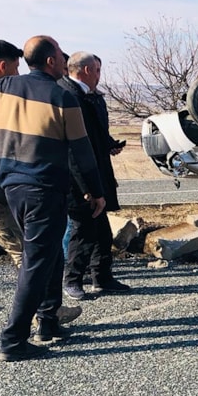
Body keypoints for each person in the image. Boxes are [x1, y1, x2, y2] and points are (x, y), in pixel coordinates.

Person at [0, 35, 105, 362]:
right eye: (61, 56)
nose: (65, 61)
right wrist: (96, 190)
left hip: (13, 188)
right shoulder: (63, 97)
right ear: (50, 61)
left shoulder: (3, 88)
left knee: (51, 254)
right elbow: (82, 151)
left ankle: (48, 321)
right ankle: (13, 339)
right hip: (44, 188)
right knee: (35, 262)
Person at [59, 52, 130, 300]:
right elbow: (72, 147)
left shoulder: (92, 97)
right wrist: (86, 187)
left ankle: (102, 277)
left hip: (96, 172)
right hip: (77, 179)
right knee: (82, 230)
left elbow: (95, 133)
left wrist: (109, 144)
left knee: (101, 230)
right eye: (97, 70)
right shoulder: (67, 96)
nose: (100, 76)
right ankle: (72, 280)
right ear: (88, 70)